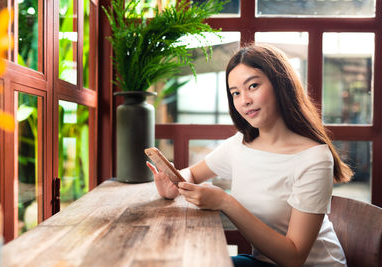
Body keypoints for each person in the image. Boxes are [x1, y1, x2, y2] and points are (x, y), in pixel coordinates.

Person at [147, 43, 353, 267]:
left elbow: (294, 257)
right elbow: (192, 174)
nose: (244, 100)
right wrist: (174, 183)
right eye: (235, 93)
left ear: (280, 84)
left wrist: (225, 202)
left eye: (253, 86)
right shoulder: (240, 144)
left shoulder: (314, 158)